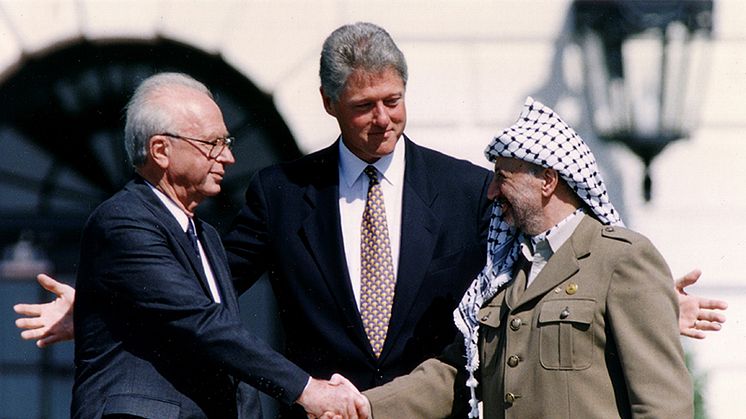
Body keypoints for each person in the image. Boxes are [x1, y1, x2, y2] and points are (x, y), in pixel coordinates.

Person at [14, 21, 725, 413]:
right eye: (364, 105)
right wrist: (107, 296)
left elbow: (528, 279)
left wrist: (652, 300)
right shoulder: (280, 193)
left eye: (393, 99)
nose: (383, 118)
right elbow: (206, 287)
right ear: (330, 105)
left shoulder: (468, 188)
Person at [363, 97, 695, 418]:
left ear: (548, 181)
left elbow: (663, 407)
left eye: (502, 178)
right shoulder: (503, 273)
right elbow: (454, 374)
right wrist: (364, 407)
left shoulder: (621, 259)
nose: (491, 192)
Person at [63, 72, 368, 419]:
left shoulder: (205, 236)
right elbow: (201, 323)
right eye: (212, 144)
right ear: (161, 150)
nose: (228, 157)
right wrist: (307, 390)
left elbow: (224, 345)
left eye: (227, 142)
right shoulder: (122, 221)